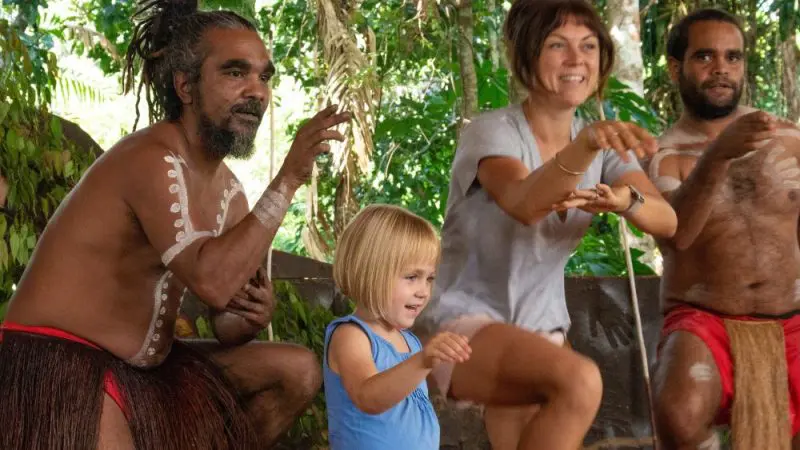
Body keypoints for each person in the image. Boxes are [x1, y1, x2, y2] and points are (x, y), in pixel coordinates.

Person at [0, 0, 351, 449]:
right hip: (64, 359)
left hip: (151, 369)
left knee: (295, 370)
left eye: (264, 76)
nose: (256, 91)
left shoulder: (231, 193)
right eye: (235, 72)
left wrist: (248, 317)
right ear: (186, 86)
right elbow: (210, 279)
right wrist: (287, 179)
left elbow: (223, 320)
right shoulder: (149, 159)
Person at [416, 0, 678, 449]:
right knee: (580, 382)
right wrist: (587, 144)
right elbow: (526, 201)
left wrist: (625, 199)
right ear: (527, 58)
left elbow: (667, 221)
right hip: (463, 325)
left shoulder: (604, 147)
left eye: (588, 46)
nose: (577, 59)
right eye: (558, 45)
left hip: (543, 330)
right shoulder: (493, 131)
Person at [646, 8, 800, 450]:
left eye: (733, 58)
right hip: (703, 318)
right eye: (705, 57)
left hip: (792, 317)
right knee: (679, 413)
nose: (722, 70)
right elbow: (677, 236)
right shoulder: (661, 156)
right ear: (676, 67)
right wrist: (717, 157)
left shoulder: (789, 140)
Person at [323, 204, 472, 449]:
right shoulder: (351, 336)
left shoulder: (409, 341)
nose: (423, 292)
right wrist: (423, 361)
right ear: (371, 272)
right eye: (412, 277)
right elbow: (367, 397)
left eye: (429, 279)